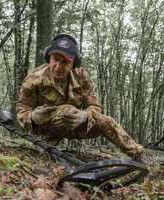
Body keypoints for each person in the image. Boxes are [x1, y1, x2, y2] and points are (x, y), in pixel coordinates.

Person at [17, 33, 152, 167]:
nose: (58, 66)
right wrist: (33, 117)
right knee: (65, 111)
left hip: (75, 125)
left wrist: (83, 116)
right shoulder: (34, 79)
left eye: (65, 62)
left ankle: (138, 155)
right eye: (55, 59)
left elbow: (95, 106)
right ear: (48, 58)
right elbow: (22, 110)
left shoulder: (81, 77)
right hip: (47, 129)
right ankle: (46, 146)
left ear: (74, 63)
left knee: (106, 121)